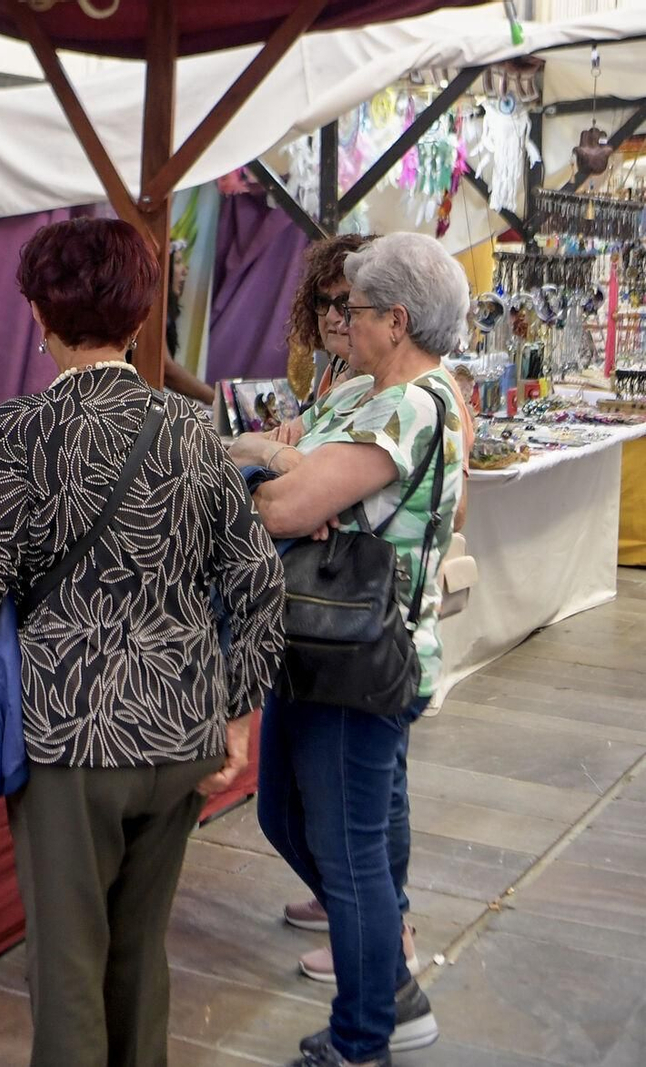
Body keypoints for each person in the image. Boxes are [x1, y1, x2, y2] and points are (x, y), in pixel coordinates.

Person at [0, 217, 285, 1067]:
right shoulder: (193, 434)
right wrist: (236, 720)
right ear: (140, 320)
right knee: (140, 955)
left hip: (70, 738)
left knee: (68, 971)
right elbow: (258, 587)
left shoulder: (16, 433)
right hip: (179, 732)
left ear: (38, 315)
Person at [230, 232, 467, 1067]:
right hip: (329, 648)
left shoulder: (405, 403)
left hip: (356, 658)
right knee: (291, 814)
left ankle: (365, 1033)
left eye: (358, 309)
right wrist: (288, 473)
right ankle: (385, 988)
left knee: (351, 849)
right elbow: (297, 492)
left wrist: (275, 476)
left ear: (395, 320)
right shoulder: (389, 395)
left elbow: (288, 509)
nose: (346, 323)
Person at [162, 239, 216, 406]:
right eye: (177, 262)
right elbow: (166, 368)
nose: (185, 270)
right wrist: (215, 398)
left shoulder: (166, 312)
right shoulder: (149, 311)